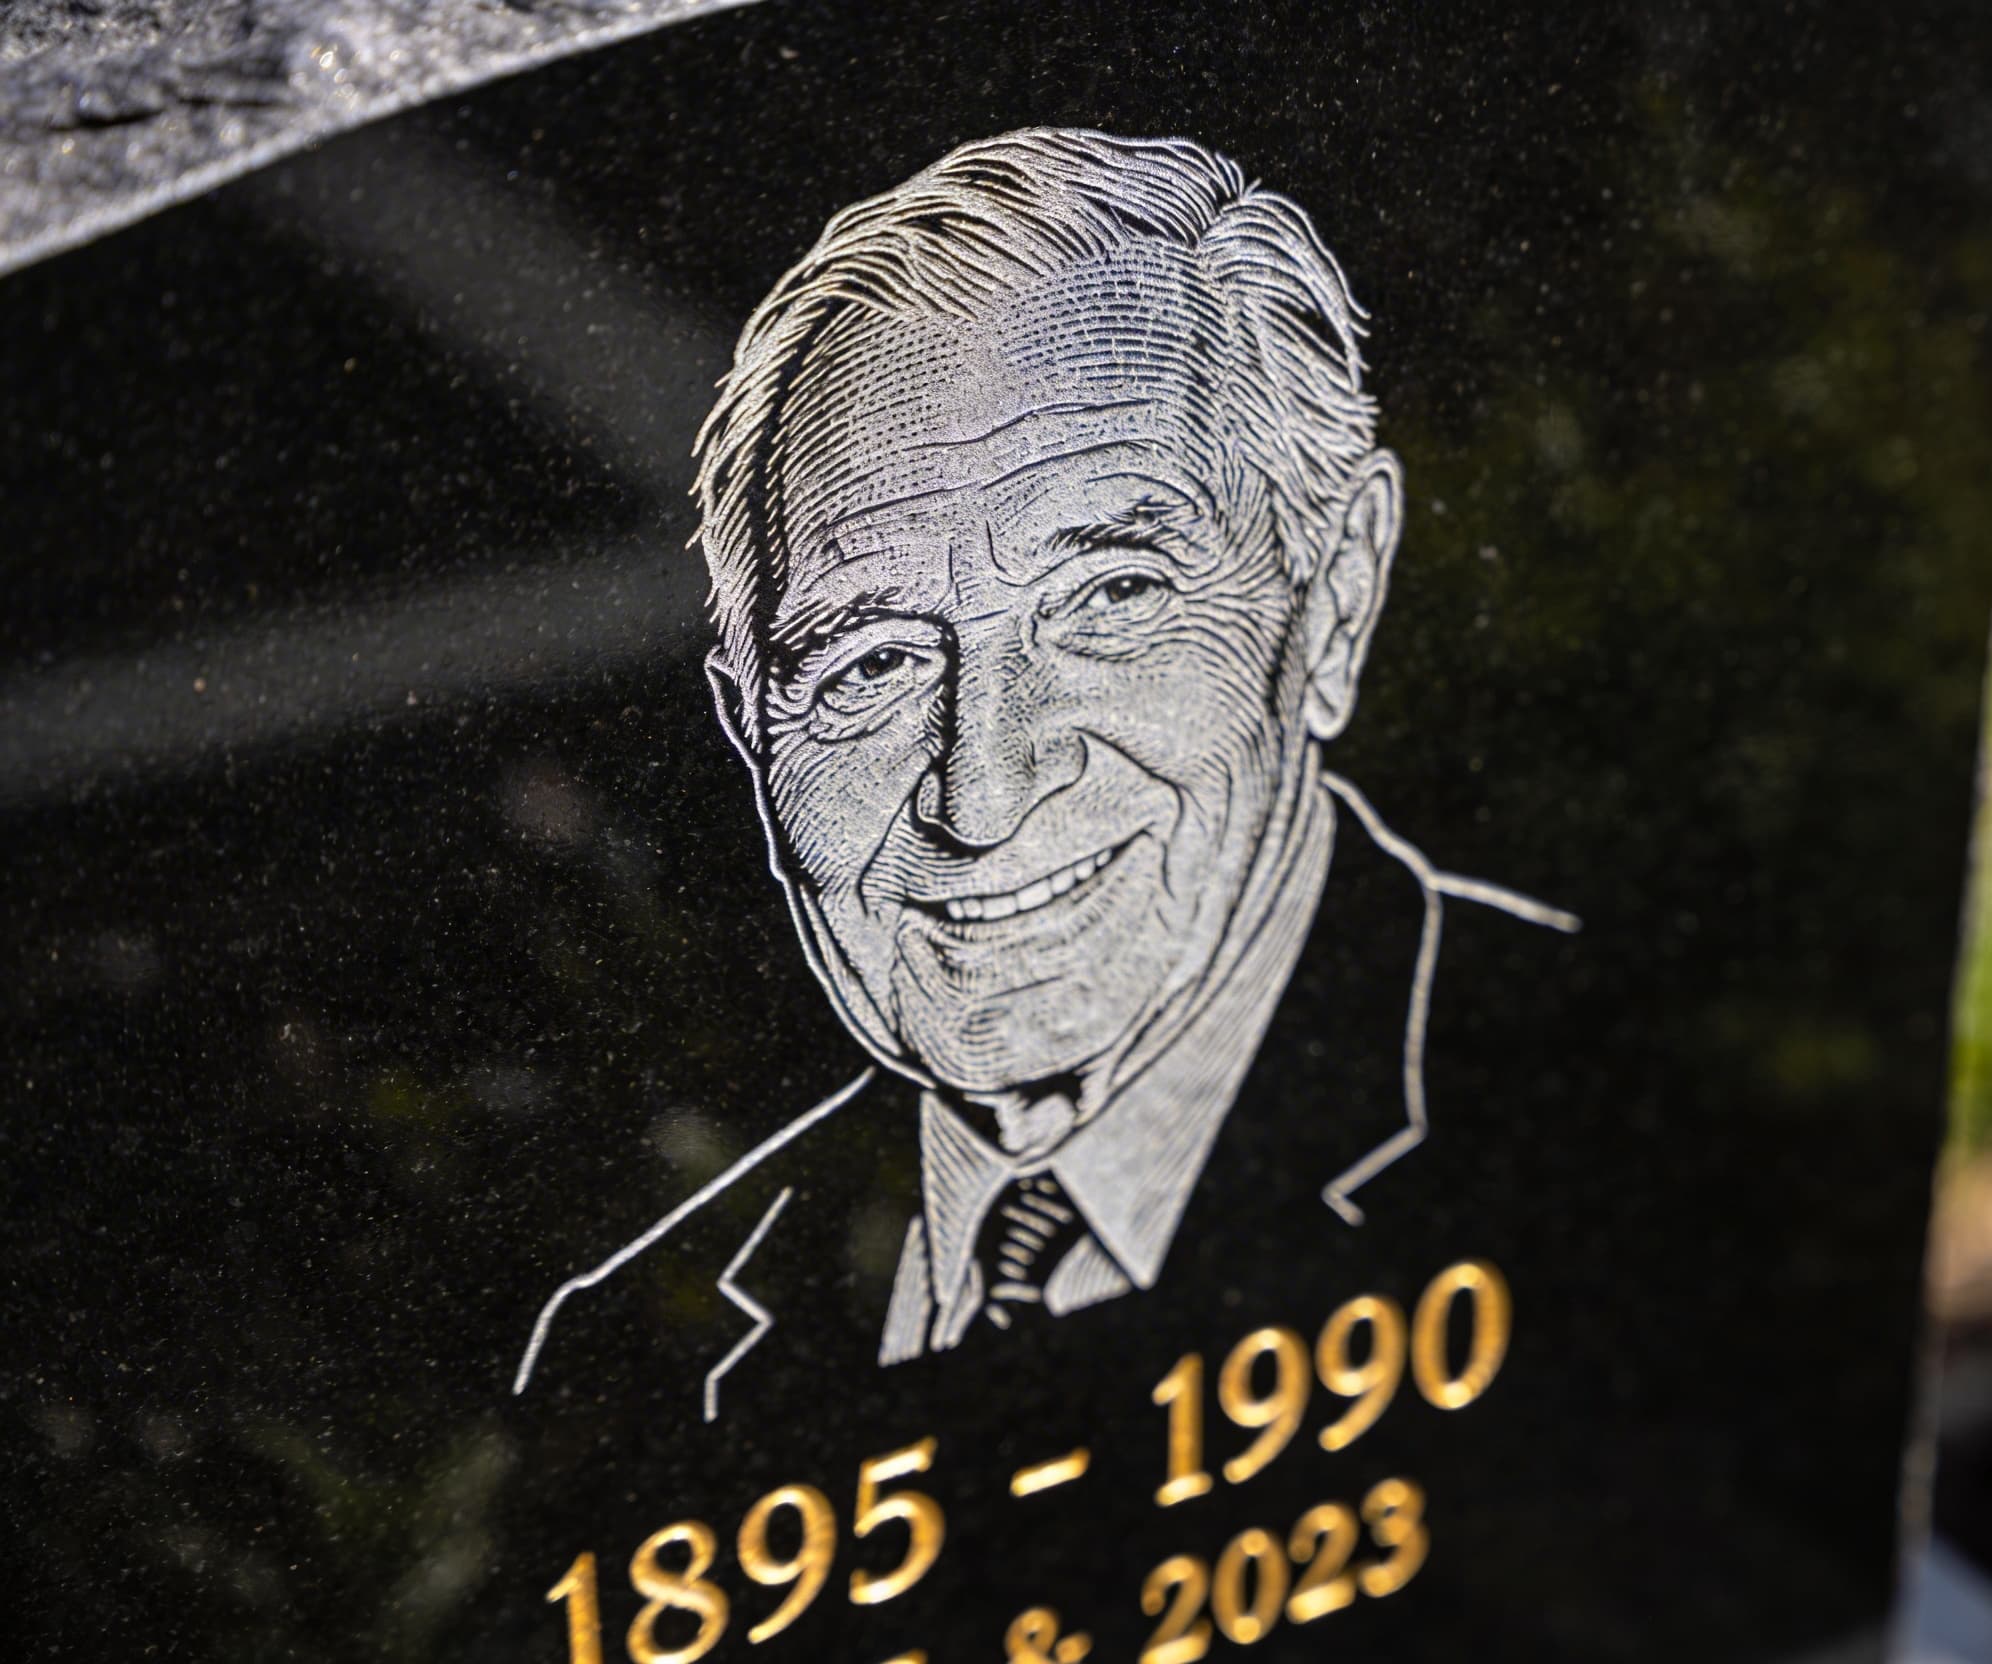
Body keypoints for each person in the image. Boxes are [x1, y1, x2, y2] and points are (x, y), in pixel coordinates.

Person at [514, 128, 1575, 1417]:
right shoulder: (629, 1354)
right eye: (869, 667)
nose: (981, 792)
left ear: (1337, 595)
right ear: (751, 726)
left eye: (1111, 595)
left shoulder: (1611, 1089)